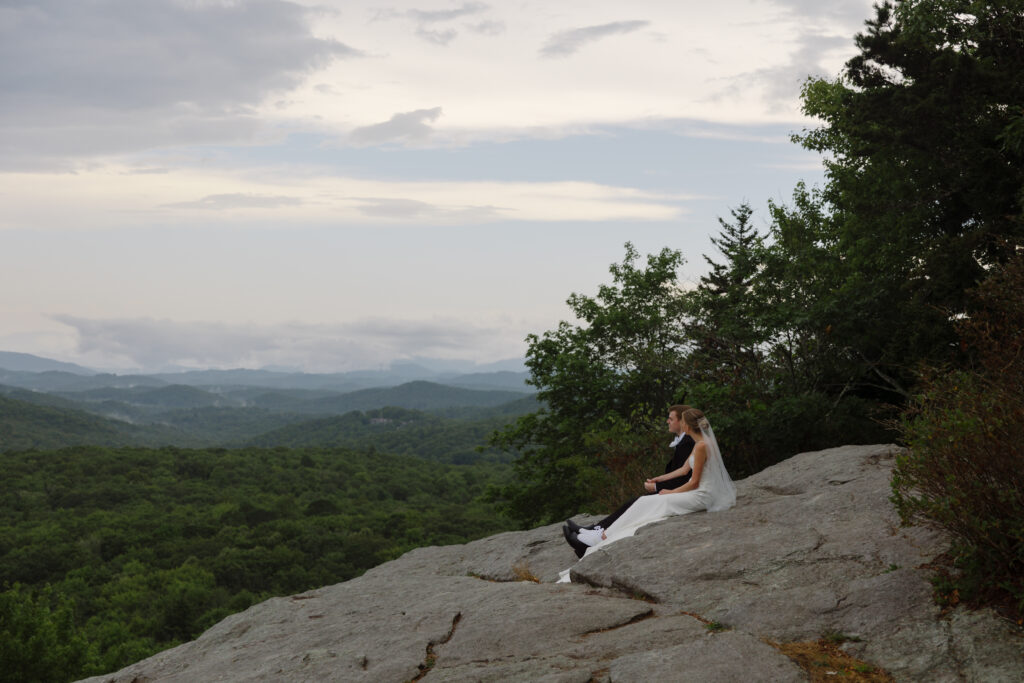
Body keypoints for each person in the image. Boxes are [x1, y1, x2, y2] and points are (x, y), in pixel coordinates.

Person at [560, 408, 736, 569]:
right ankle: (601, 534)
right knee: (645, 502)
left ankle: (601, 536)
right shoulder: (700, 443)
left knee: (651, 503)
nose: (680, 424)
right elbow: (683, 469)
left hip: (702, 496)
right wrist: (659, 478)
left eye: (681, 421)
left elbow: (694, 482)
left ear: (688, 426)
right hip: (698, 492)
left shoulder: (701, 446)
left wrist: (669, 492)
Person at [562, 404, 695, 558]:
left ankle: (596, 538)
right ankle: (594, 532)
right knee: (634, 503)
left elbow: (685, 477)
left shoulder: (689, 443)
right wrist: (657, 481)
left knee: (637, 506)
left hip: (683, 493)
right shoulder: (685, 441)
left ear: (682, 421)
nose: (667, 421)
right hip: (679, 490)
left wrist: (658, 487)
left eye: (671, 419)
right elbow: (681, 471)